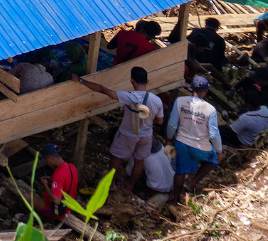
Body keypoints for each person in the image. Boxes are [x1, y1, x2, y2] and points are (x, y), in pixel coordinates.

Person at [78, 65, 163, 193]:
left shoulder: (128, 97)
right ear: (147, 81)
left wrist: (81, 81)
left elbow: (102, 89)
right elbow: (160, 121)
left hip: (127, 134)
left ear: (132, 81)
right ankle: (129, 186)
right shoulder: (157, 100)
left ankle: (112, 183)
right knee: (139, 161)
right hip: (146, 136)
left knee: (116, 158)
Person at [166, 75, 222, 202]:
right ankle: (192, 184)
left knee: (180, 172)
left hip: (181, 143)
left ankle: (175, 200)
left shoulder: (180, 101)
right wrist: (219, 151)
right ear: (206, 91)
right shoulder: (210, 109)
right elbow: (213, 134)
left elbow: (172, 124)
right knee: (214, 159)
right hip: (200, 146)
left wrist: (169, 139)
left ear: (191, 87)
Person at [34, 143, 79, 219]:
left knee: (26, 196)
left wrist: (45, 184)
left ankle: (37, 216)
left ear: (50, 157)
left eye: (46, 160)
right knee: (43, 193)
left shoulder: (58, 174)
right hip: (69, 205)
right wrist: (52, 178)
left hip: (59, 212)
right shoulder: (72, 167)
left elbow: (56, 201)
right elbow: (67, 180)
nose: (47, 163)